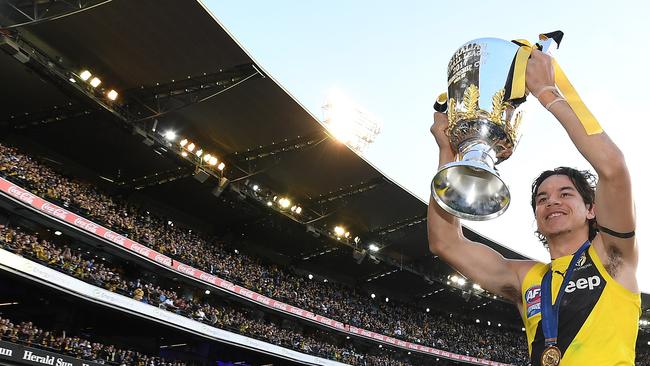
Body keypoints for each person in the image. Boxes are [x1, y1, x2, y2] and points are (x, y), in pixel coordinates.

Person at [427, 49, 640, 366]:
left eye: (565, 194)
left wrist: (546, 93)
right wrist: (449, 154)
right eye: (542, 198)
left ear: (591, 209)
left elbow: (612, 167)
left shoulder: (613, 255)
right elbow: (445, 243)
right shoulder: (525, 278)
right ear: (537, 219)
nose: (552, 200)